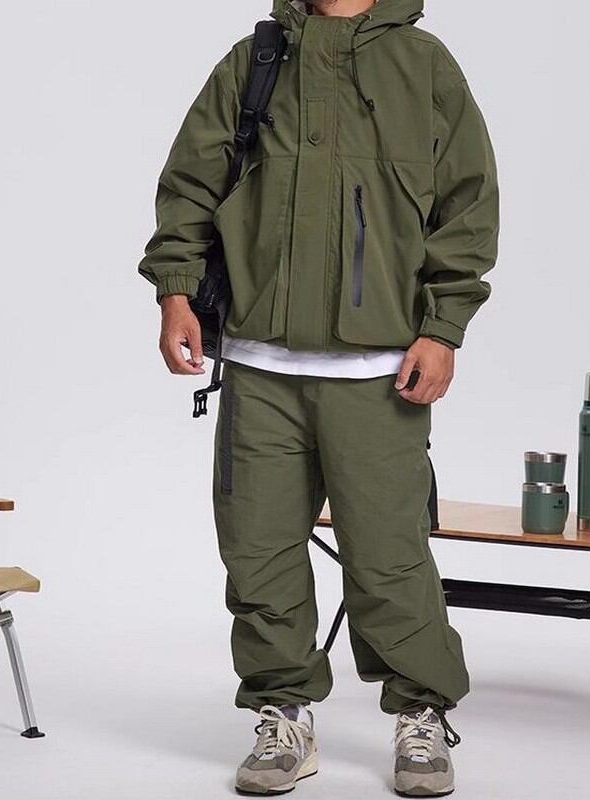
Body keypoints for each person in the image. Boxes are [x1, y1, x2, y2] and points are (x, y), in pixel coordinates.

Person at [138, 0, 499, 795]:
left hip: (378, 370)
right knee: (257, 551)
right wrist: (175, 291)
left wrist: (443, 328)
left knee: (389, 557)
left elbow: (467, 205)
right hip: (258, 362)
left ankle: (421, 714)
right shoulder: (255, 58)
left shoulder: (425, 66)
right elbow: (191, 182)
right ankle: (283, 714)